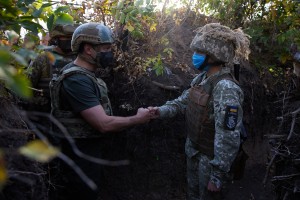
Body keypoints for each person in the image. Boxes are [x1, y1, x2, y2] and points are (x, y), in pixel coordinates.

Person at [49, 22, 151, 200]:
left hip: (84, 153)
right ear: (89, 49)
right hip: (77, 157)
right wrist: (138, 118)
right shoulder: (77, 80)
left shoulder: (85, 75)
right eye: (105, 48)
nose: (110, 53)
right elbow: (103, 124)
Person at [148, 23, 250, 200]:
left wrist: (217, 176)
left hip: (210, 163)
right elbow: (182, 102)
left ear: (213, 56)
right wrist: (160, 111)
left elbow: (228, 135)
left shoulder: (225, 88)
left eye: (200, 53)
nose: (195, 56)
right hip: (194, 153)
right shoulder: (202, 79)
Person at [25, 24, 78, 112]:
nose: (69, 40)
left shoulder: (81, 57)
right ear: (56, 39)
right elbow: (26, 87)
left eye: (71, 37)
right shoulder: (43, 58)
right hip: (45, 116)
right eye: (65, 37)